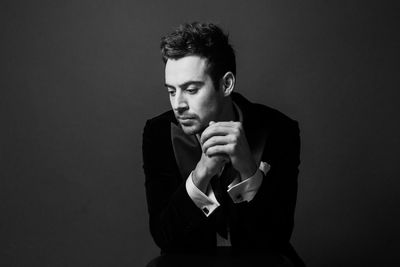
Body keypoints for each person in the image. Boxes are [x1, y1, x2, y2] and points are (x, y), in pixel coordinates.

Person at [143, 22, 305, 266]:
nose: (179, 104)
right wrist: (201, 174)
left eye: (191, 89)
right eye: (171, 91)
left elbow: (277, 237)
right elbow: (165, 237)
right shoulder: (159, 133)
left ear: (226, 84)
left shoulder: (279, 129)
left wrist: (249, 171)